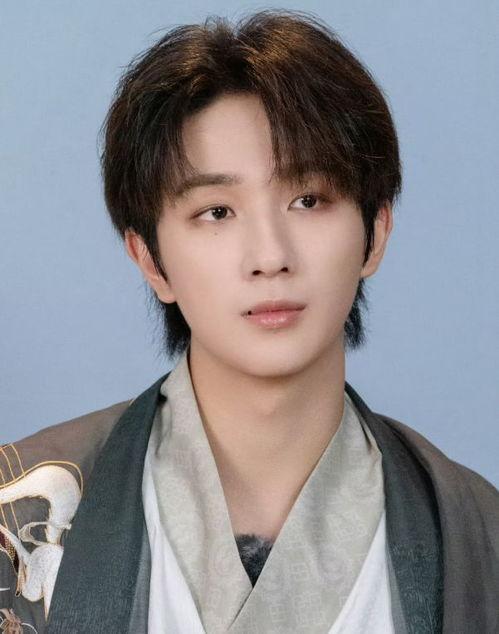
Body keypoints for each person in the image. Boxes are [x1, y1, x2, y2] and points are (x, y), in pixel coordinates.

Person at [1, 9, 498, 633]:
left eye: (309, 200)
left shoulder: (477, 533)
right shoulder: (20, 520)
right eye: (216, 212)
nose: (269, 256)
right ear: (150, 259)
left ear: (375, 233)